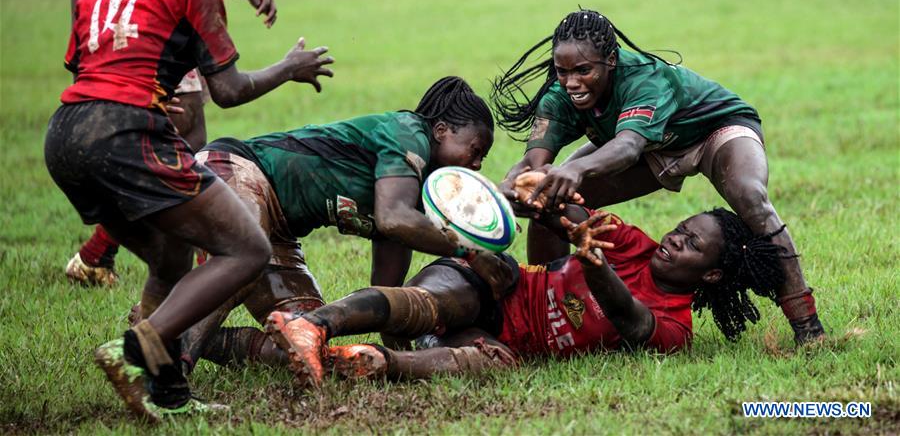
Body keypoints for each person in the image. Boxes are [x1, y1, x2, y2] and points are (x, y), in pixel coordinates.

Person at [44, 0, 333, 420]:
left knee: (172, 257)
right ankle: (139, 346)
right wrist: (288, 68)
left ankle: (166, 391)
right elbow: (226, 90)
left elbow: (87, 67)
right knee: (247, 246)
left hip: (65, 136)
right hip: (126, 135)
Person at [489, 9, 824, 345]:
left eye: (583, 70)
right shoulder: (560, 95)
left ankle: (808, 328)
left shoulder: (643, 78)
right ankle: (552, 299)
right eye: (562, 71)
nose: (571, 82)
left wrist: (574, 168)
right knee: (550, 196)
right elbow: (534, 163)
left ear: (611, 60)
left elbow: (628, 147)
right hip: (652, 144)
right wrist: (512, 186)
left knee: (749, 195)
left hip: (712, 130)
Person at [262, 186, 786, 387]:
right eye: (682, 227)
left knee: (492, 361)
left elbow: (630, 319)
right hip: (497, 290)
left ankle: (377, 362)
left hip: (504, 341)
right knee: (462, 290)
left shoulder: (677, 327)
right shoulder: (634, 243)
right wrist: (544, 197)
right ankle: (317, 323)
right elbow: (572, 212)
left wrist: (594, 262)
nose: (675, 238)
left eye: (692, 244)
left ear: (712, 275)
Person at [173, 76, 513, 369]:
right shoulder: (409, 134)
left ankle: (162, 328)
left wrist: (402, 357)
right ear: (441, 131)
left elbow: (387, 296)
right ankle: (169, 374)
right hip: (237, 169)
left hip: (281, 231)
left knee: (303, 338)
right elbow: (393, 219)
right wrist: (471, 252)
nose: (478, 165)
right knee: (244, 262)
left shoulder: (408, 202)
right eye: (475, 150)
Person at [65, 0, 279, 286]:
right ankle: (184, 252)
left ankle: (124, 277)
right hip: (148, 27)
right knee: (180, 147)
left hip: (179, 19)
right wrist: (92, 34)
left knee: (185, 140)